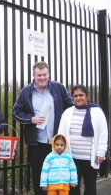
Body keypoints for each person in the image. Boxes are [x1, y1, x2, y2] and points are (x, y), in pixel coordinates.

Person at [13, 61, 73, 195]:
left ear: (49, 74)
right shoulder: (26, 91)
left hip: (57, 142)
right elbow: (16, 112)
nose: (42, 78)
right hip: (36, 143)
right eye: (39, 75)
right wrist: (31, 119)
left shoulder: (58, 88)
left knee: (58, 175)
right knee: (39, 176)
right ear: (34, 75)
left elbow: (71, 106)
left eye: (44, 75)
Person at [58, 84, 108, 195]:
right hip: (72, 157)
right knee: (73, 187)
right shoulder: (67, 113)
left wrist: (100, 152)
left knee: (90, 186)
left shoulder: (97, 112)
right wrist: (60, 153)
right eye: (75, 96)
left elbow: (103, 134)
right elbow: (61, 134)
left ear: (87, 96)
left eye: (81, 95)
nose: (78, 98)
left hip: (90, 157)